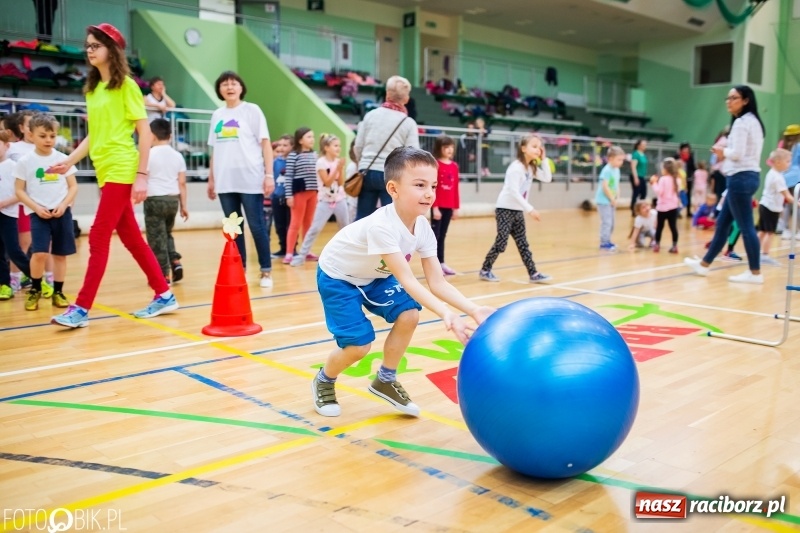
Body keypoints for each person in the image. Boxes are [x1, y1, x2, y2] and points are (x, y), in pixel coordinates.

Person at [311, 147, 495, 417]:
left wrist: (473, 309)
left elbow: (437, 282)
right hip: (338, 277)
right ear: (393, 189)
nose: (429, 192)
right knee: (358, 347)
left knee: (409, 315)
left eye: (432, 185)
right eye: (419, 185)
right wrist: (446, 313)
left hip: (374, 275)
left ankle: (385, 379)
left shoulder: (422, 227)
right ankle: (324, 379)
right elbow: (407, 279)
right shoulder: (381, 226)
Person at [49, 23, 178, 328]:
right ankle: (164, 294)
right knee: (132, 238)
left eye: (96, 45)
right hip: (104, 170)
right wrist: (68, 161)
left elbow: (144, 133)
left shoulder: (127, 86)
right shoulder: (93, 90)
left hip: (122, 166)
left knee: (98, 236)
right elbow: (94, 135)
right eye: (88, 46)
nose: (89, 50)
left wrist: (142, 174)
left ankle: (81, 308)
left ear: (112, 50)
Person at [685, 85, 765, 284]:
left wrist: (723, 151)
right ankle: (704, 265)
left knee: (746, 227)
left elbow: (737, 154)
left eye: (734, 98)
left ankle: (755, 273)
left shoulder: (740, 123)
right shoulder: (755, 122)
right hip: (748, 176)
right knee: (722, 224)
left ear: (746, 100)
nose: (729, 102)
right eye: (727, 98)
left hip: (739, 178)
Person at [206, 70, 275, 288]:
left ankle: (266, 271)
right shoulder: (217, 115)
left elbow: (265, 144)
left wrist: (269, 174)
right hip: (225, 180)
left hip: (250, 178)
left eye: (234, 83)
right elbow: (215, 150)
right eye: (225, 84)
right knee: (233, 228)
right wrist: (211, 178)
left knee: (256, 225)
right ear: (220, 90)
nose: (229, 87)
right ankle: (240, 268)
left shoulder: (252, 111)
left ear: (241, 88)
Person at [14, 113, 77, 311]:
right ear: (31, 135)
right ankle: (35, 289)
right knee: (40, 253)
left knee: (60, 254)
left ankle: (58, 291)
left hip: (62, 214)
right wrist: (36, 207)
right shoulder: (25, 162)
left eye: (52, 135)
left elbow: (73, 187)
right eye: (43, 136)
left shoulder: (64, 159)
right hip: (38, 214)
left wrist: (64, 204)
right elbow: (19, 190)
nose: (48, 140)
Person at [479, 134, 552, 283]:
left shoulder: (531, 168)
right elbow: (513, 191)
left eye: (539, 147)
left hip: (517, 211)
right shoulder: (516, 168)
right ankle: (485, 270)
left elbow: (547, 178)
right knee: (501, 242)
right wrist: (530, 209)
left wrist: (544, 159)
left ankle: (533, 273)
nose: (538, 149)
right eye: (534, 146)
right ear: (523, 148)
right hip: (505, 209)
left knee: (523, 243)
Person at [354, 75, 419, 220]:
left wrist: (362, 163)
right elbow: (413, 155)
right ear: (406, 99)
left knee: (362, 218)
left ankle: (357, 244)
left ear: (387, 94)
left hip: (367, 170)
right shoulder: (408, 122)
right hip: (391, 174)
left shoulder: (370, 115)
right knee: (391, 220)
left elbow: (358, 146)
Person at [0, 130, 54, 301]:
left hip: (7, 214)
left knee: (14, 251)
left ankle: (37, 280)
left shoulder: (13, 167)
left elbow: (20, 192)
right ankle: (4, 285)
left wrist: (3, 203)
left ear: (7, 146)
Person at [291, 133, 349, 267]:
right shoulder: (321, 162)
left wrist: (340, 169)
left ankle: (345, 255)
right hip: (325, 201)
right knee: (315, 228)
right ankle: (301, 256)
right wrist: (338, 168)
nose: (338, 148)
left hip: (340, 199)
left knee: (345, 227)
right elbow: (327, 183)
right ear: (327, 147)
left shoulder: (337, 161)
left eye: (339, 146)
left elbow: (340, 183)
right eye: (335, 146)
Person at [144, 118, 188, 283]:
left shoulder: (147, 154)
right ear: (170, 136)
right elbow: (182, 183)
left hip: (154, 199)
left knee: (156, 239)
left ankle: (163, 276)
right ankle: (175, 261)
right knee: (167, 234)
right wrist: (184, 205)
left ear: (151, 136)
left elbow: (143, 177)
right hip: (172, 200)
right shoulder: (178, 156)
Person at [284, 127, 319, 265]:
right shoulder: (294, 155)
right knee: (295, 223)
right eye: (309, 137)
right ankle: (289, 252)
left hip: (313, 193)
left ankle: (306, 251)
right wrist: (289, 196)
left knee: (308, 224)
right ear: (300, 140)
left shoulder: (315, 154)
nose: (312, 139)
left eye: (313, 137)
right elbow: (288, 177)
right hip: (299, 193)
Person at [758, 149, 795, 266]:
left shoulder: (773, 173)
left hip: (766, 206)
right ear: (778, 162)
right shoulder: (777, 178)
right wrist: (797, 203)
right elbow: (787, 195)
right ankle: (764, 255)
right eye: (787, 161)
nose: (789, 164)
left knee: (763, 231)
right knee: (769, 232)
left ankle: (754, 252)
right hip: (770, 208)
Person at [431, 135, 460, 276]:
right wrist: (434, 207)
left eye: (451, 147)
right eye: (446, 147)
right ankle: (433, 265)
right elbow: (433, 187)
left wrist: (456, 208)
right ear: (439, 148)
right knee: (434, 236)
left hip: (449, 206)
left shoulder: (454, 166)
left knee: (442, 235)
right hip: (438, 206)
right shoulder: (435, 165)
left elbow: (455, 188)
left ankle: (441, 263)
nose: (449, 150)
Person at [268, 134, 293, 258]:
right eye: (280, 145)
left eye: (285, 145)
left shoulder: (294, 161)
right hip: (277, 197)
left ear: (292, 146)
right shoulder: (275, 162)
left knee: (291, 225)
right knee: (279, 225)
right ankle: (283, 248)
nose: (282, 148)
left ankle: (291, 249)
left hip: (291, 199)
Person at [649, 158, 681, 254]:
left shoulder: (663, 179)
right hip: (673, 207)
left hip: (662, 208)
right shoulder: (677, 179)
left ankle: (657, 245)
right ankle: (674, 246)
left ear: (666, 169)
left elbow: (659, 192)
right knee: (673, 227)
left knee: (659, 227)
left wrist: (653, 183)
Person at [596, 146, 625, 251]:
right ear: (610, 158)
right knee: (606, 222)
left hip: (612, 201)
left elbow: (616, 185)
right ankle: (604, 242)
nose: (621, 162)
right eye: (619, 160)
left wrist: (617, 196)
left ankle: (608, 240)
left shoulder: (616, 170)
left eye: (622, 160)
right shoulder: (607, 170)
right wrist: (611, 198)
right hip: (604, 201)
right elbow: (605, 186)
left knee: (612, 222)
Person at [676, 143, 696, 216]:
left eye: (687, 148)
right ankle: (677, 211)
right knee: (678, 196)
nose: (686, 150)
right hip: (678, 180)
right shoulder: (677, 157)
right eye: (684, 148)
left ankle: (688, 211)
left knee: (688, 195)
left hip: (688, 178)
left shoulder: (690, 157)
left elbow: (693, 167)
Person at [629, 139, 648, 215]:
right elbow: (633, 167)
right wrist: (635, 178)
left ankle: (640, 208)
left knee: (643, 193)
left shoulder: (643, 154)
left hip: (642, 176)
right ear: (638, 145)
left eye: (645, 145)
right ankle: (633, 209)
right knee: (636, 193)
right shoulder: (635, 154)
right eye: (643, 145)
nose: (644, 146)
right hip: (636, 176)